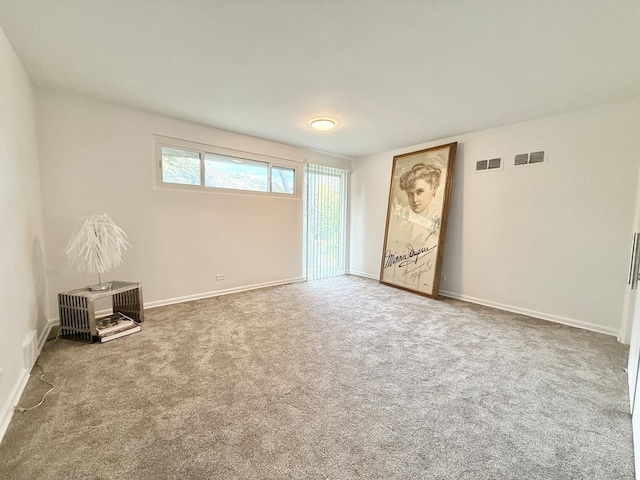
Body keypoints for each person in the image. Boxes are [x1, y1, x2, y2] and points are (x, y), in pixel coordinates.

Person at [398, 163, 442, 235]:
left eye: (419, 192)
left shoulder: (439, 217)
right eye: (410, 194)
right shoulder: (407, 221)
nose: (414, 200)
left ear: (433, 188)